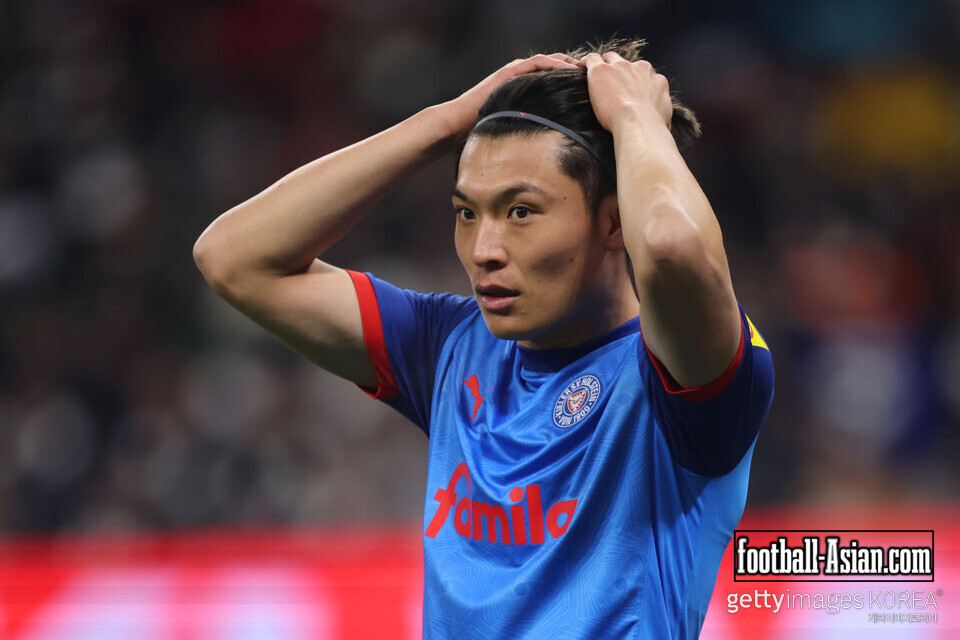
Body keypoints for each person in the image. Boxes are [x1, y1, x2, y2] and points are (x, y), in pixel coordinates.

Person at [194, 38, 774, 640]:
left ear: (614, 221)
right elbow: (233, 257)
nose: (483, 251)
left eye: (520, 211)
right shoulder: (447, 347)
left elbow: (672, 245)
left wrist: (633, 117)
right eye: (467, 212)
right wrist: (445, 124)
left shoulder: (683, 380)